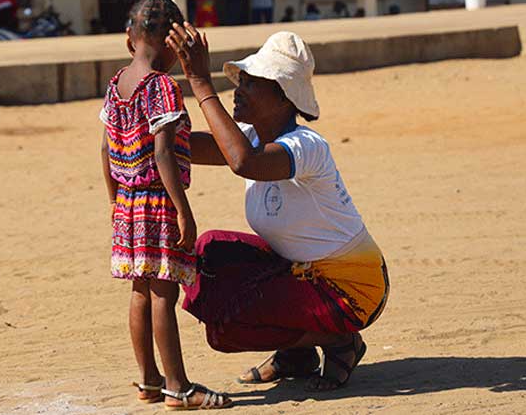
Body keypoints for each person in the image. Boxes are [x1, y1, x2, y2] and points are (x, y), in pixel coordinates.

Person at [165, 24, 389, 392]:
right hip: (300, 272)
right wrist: (143, 123)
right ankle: (296, 353)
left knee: (227, 327)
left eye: (250, 83)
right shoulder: (253, 137)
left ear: (284, 97)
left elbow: (243, 162)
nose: (239, 91)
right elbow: (191, 147)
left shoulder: (306, 145)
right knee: (210, 251)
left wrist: (201, 82)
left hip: (351, 288)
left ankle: (338, 340)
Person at [99, 0, 231, 410]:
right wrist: (182, 210)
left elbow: (104, 149)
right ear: (175, 48)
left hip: (127, 204)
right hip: (157, 203)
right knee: (164, 295)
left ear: (128, 39)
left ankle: (149, 380)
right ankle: (179, 386)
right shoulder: (163, 88)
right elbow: (162, 153)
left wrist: (115, 201)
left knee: (139, 290)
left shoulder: (116, 83)